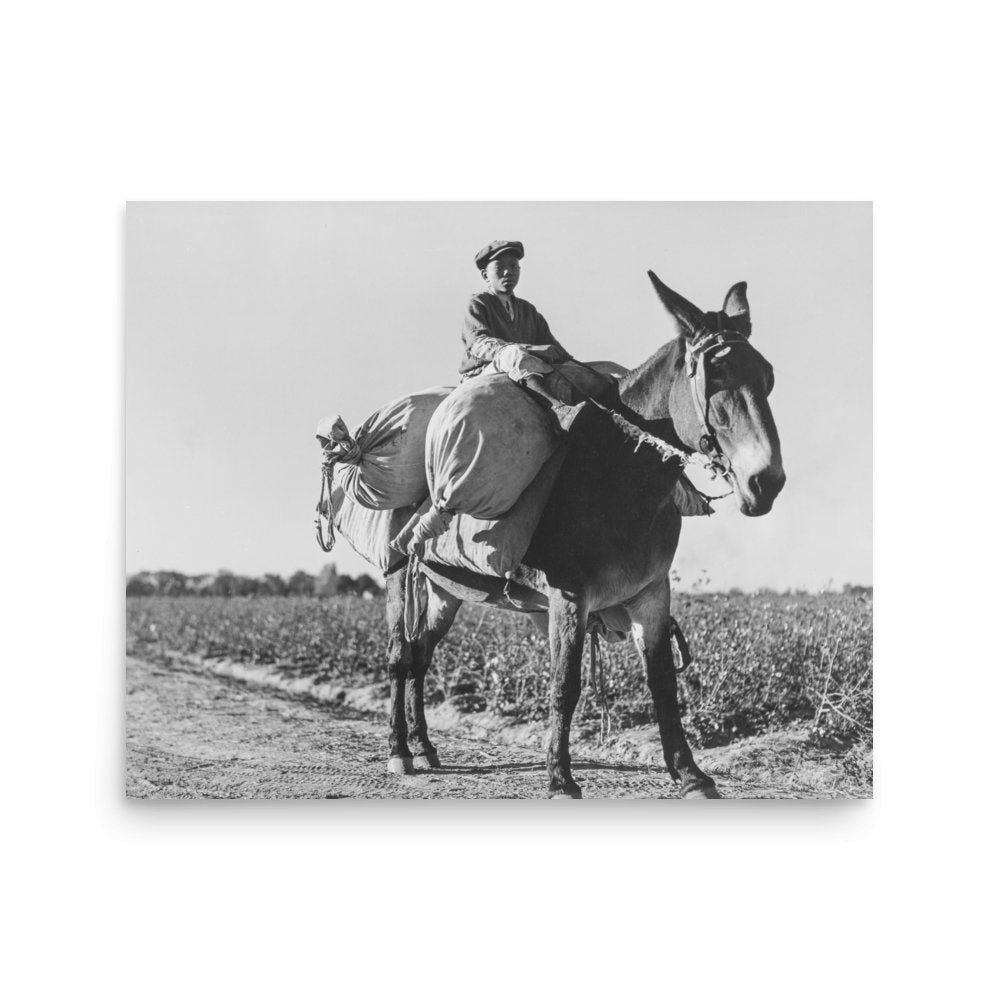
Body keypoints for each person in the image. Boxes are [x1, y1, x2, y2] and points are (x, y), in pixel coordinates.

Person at [459, 240, 583, 425]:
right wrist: (531, 349)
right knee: (514, 353)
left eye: (514, 266)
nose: (508, 272)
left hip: (526, 370)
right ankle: (559, 411)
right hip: (485, 371)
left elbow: (555, 351)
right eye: (500, 267)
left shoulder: (528, 310)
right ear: (486, 276)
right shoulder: (478, 303)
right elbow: (479, 344)